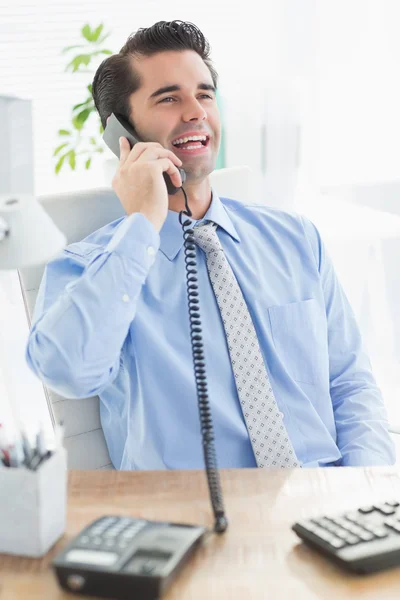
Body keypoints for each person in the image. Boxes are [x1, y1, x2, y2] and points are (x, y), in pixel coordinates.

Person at [26, 20, 395, 470]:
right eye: (169, 98)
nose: (196, 111)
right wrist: (142, 222)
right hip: (194, 521)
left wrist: (364, 493)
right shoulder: (90, 270)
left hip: (325, 507)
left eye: (204, 94)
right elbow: (66, 370)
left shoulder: (297, 239)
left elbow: (351, 385)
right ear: (121, 134)